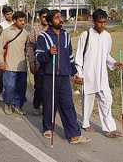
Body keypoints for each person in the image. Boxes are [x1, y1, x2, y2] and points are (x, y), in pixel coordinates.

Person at [36, 10, 91, 144]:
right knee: (50, 103)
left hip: (64, 75)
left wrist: (75, 72)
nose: (60, 20)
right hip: (50, 75)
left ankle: (73, 134)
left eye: (60, 17)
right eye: (57, 18)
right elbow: (39, 57)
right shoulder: (43, 37)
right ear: (49, 22)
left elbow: (69, 56)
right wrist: (49, 53)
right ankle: (48, 128)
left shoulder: (66, 36)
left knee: (68, 105)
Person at [74, 9, 123, 138]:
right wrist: (80, 73)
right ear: (93, 21)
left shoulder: (107, 36)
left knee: (107, 99)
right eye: (100, 22)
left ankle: (109, 128)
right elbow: (79, 56)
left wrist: (114, 63)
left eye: (104, 22)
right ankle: (85, 123)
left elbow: (106, 55)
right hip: (88, 73)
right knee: (88, 99)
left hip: (102, 74)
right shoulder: (86, 35)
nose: (102, 25)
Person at [0, 11, 28, 115]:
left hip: (22, 66)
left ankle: (18, 106)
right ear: (14, 21)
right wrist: (1, 61)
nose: (22, 23)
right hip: (9, 65)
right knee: (10, 86)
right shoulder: (6, 32)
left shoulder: (25, 33)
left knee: (21, 88)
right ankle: (8, 103)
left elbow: (28, 49)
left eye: (24, 20)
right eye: (20, 20)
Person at [26, 8, 49, 115]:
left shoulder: (53, 29)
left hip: (50, 64)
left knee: (49, 87)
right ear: (39, 17)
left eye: (47, 16)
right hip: (39, 63)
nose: (45, 18)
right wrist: (31, 63)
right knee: (39, 86)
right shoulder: (35, 30)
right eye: (43, 16)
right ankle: (36, 105)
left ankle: (47, 106)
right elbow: (30, 46)